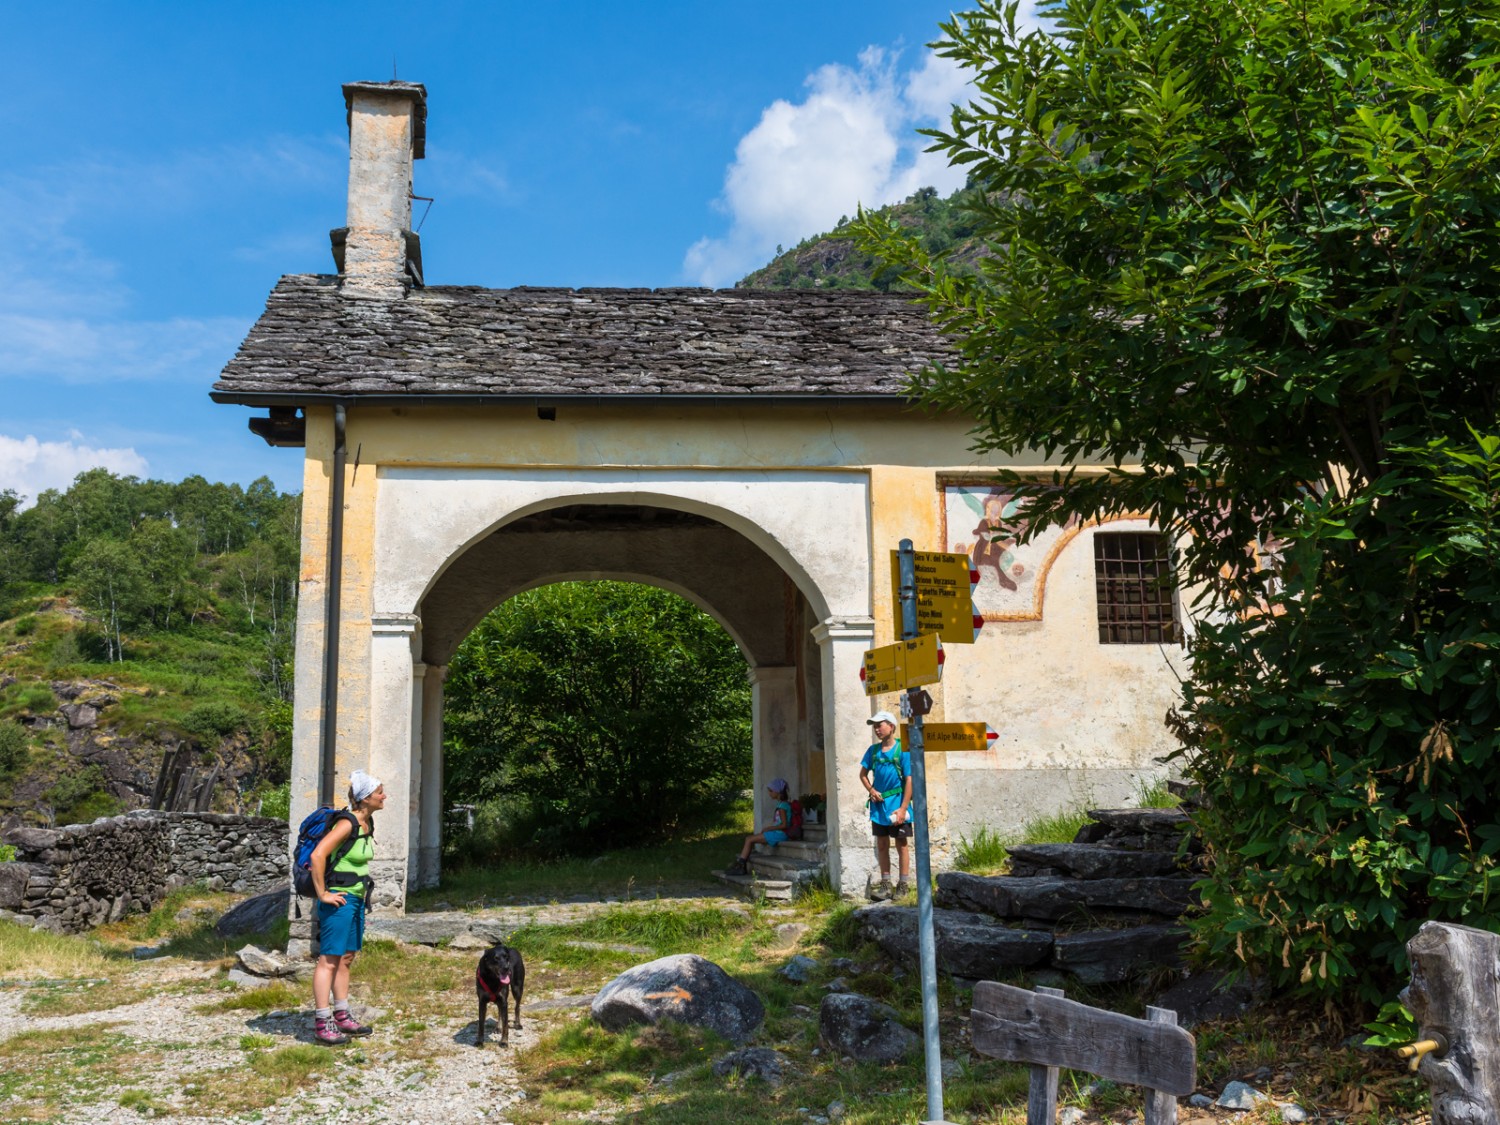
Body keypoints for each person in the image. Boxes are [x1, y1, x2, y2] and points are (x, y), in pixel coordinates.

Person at [310, 768, 386, 1045]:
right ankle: (322, 1022)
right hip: (339, 899)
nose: (384, 796)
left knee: (347, 958)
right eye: (380, 793)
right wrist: (323, 894)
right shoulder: (347, 823)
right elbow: (318, 855)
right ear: (365, 799)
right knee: (328, 960)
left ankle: (342, 1016)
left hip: (355, 898)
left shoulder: (367, 824)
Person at [859, 710, 912, 901]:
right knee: (882, 844)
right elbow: (863, 774)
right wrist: (872, 791)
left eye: (880, 725)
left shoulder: (902, 750)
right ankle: (886, 884)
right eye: (875, 726)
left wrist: (904, 808)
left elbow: (909, 780)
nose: (877, 729)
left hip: (898, 805)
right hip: (879, 808)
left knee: (901, 844)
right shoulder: (873, 751)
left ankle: (904, 885)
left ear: (891, 726)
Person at [727, 778, 793, 876]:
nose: (769, 794)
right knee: (750, 839)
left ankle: (741, 866)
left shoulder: (783, 806)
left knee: (749, 839)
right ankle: (740, 864)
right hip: (777, 833)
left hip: (780, 834)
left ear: (778, 792)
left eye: (771, 791)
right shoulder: (782, 804)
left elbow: (784, 825)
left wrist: (769, 828)